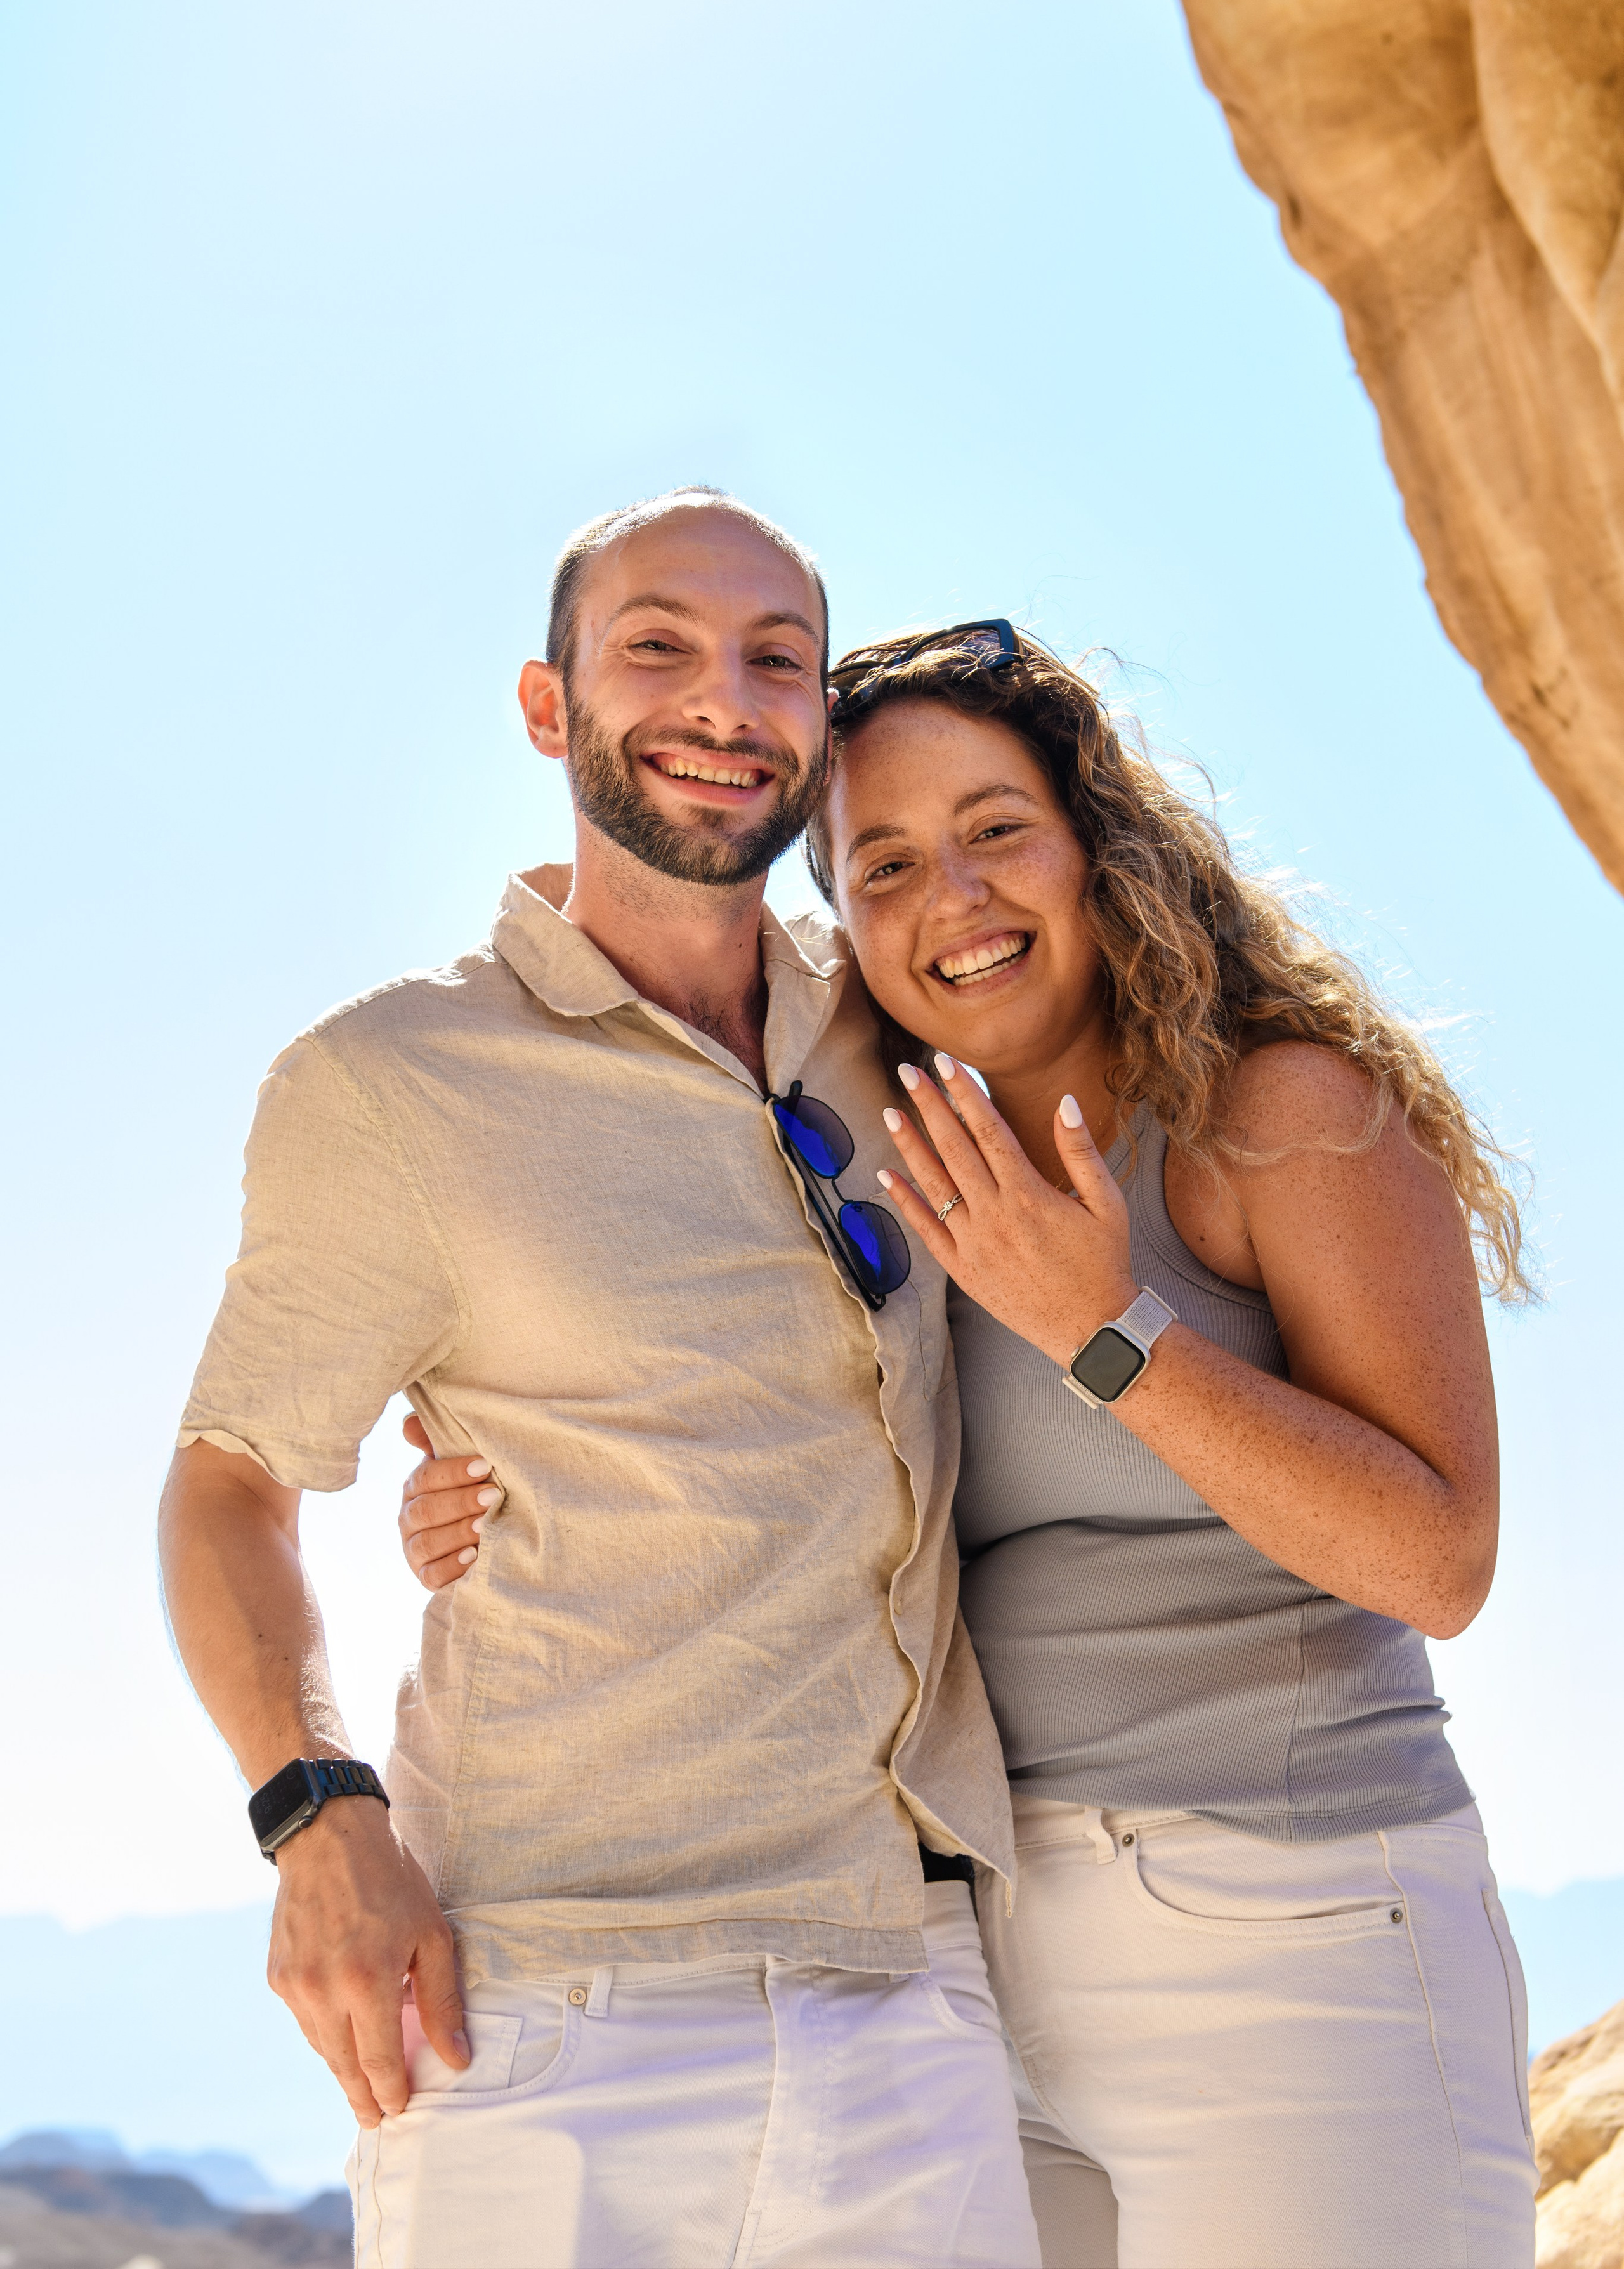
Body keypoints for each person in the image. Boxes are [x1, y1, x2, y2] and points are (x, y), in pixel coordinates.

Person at [404, 619, 1541, 2269]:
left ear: (1097, 848)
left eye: (997, 831)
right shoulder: (872, 1163)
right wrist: (486, 1497)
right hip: (963, 1967)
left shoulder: (1275, 1120)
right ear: (842, 923)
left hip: (1294, 1934)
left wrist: (1109, 1329)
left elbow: (1438, 1559)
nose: (958, 899)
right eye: (886, 865)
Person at [157, 498, 1040, 2269]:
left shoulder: (906, 1026)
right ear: (548, 709)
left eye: (775, 661)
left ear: (820, 732)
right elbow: (233, 1482)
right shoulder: (391, 1083)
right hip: (546, 2012)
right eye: (657, 647)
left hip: (913, 2001)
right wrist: (314, 1812)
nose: (724, 700)